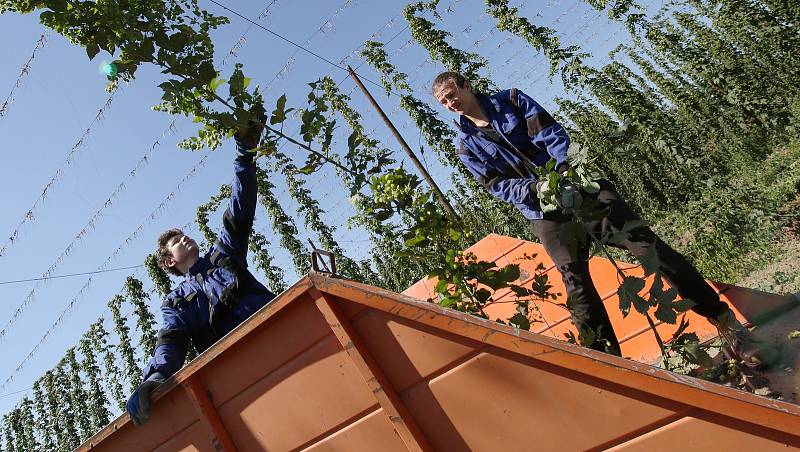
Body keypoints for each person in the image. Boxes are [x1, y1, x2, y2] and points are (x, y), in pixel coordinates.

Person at [432, 71, 774, 368]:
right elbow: (497, 185)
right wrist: (537, 188)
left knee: (650, 250)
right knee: (576, 286)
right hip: (544, 211)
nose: (451, 104)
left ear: (467, 86)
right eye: (444, 103)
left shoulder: (512, 100)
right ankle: (611, 367)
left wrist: (564, 171)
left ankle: (728, 326)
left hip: (582, 188)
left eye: (452, 95)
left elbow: (549, 133)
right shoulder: (465, 145)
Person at [126, 106, 276, 425]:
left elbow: (240, 209)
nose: (185, 239)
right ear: (169, 261)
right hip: (235, 370)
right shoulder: (176, 303)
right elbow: (171, 340)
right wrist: (155, 377)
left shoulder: (224, 254)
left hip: (276, 328)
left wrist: (244, 156)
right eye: (176, 241)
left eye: (185, 235)